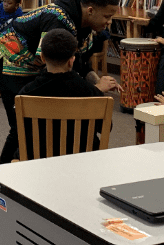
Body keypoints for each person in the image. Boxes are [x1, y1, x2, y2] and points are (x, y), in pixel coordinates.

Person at [0, 0, 121, 164]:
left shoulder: (85, 22)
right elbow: (54, 74)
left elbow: (77, 60)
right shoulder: (58, 20)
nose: (109, 22)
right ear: (90, 10)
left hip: (38, 63)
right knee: (21, 123)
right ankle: (1, 175)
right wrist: (94, 90)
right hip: (12, 60)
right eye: (107, 16)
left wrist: (96, 81)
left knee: (42, 118)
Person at [18, 29, 107, 159]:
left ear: (42, 57)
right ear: (72, 60)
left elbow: (22, 130)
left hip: (38, 163)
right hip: (83, 161)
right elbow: (105, 128)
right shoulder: (91, 92)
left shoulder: (26, 93)